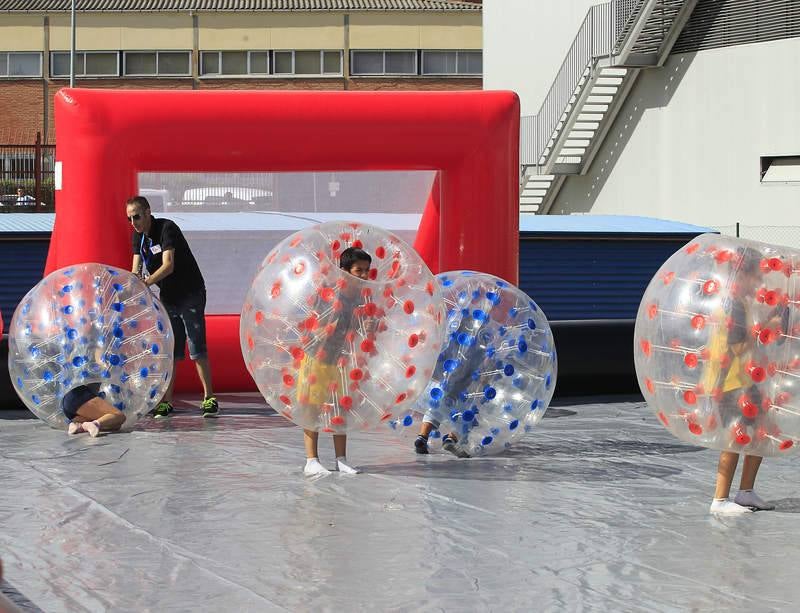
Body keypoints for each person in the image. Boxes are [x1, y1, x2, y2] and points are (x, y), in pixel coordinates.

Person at [127, 196, 219, 418]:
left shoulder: (166, 228)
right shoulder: (138, 237)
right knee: (171, 349)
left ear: (148, 212)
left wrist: (146, 283)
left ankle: (209, 398)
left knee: (196, 345)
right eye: (129, 218)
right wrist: (132, 285)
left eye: (137, 216)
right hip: (169, 296)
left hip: (190, 292)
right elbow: (135, 269)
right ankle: (166, 401)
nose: (133, 222)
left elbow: (168, 265)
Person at [707, 257, 775, 514]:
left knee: (760, 431)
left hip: (746, 379)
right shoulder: (732, 305)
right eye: (756, 277)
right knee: (734, 437)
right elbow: (739, 347)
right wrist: (766, 328)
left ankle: (745, 492)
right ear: (743, 276)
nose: (759, 283)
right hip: (730, 382)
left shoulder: (742, 303)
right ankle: (719, 500)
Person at [298, 247, 373, 476]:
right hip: (317, 357)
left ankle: (341, 459)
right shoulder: (329, 293)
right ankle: (311, 460)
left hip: (340, 360)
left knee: (341, 407)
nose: (363, 275)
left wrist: (366, 327)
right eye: (358, 270)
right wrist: (325, 327)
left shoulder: (361, 298)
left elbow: (356, 333)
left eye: (367, 271)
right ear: (344, 271)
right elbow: (312, 323)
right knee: (313, 406)